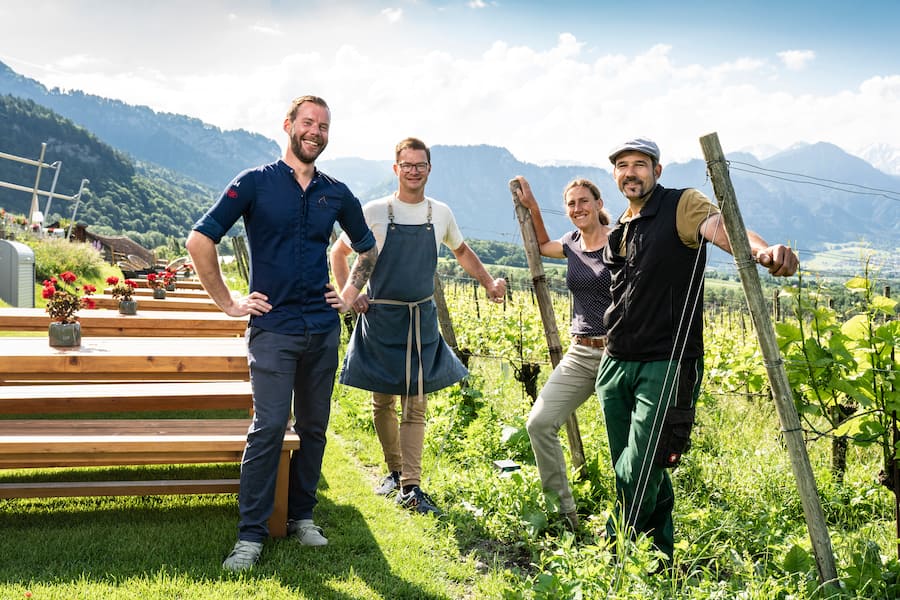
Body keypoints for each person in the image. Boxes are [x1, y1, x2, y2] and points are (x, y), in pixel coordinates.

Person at [186, 95, 378, 572]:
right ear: (288, 125)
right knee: (269, 427)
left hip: (321, 327)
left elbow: (369, 249)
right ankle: (250, 535)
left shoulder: (337, 193)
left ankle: (302, 517)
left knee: (313, 427)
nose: (315, 131)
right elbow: (199, 239)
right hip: (272, 328)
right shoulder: (254, 183)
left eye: (324, 125)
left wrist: (350, 291)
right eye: (308, 122)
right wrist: (229, 303)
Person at [595, 137, 799, 564]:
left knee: (639, 466)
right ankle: (658, 558)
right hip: (615, 361)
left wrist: (762, 251)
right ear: (615, 174)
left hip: (667, 360)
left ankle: (616, 553)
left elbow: (726, 230)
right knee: (632, 466)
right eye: (622, 166)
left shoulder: (682, 204)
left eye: (640, 164)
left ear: (657, 171)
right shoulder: (622, 224)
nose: (630, 172)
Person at [330, 137, 506, 515]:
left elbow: (462, 252)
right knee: (383, 402)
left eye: (420, 165)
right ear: (395, 169)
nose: (413, 170)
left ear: (429, 169)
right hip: (381, 318)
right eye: (406, 165)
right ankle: (393, 471)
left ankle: (411, 484)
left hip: (421, 320)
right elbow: (339, 252)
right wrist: (350, 294)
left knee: (416, 403)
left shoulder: (438, 214)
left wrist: (488, 282)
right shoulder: (375, 211)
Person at [512, 175, 612, 531]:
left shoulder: (621, 243)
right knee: (539, 423)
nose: (578, 209)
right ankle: (564, 513)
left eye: (584, 201)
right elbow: (542, 245)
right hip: (580, 352)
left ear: (599, 205)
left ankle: (629, 521)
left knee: (626, 438)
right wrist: (534, 207)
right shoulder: (571, 243)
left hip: (618, 353)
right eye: (571, 203)